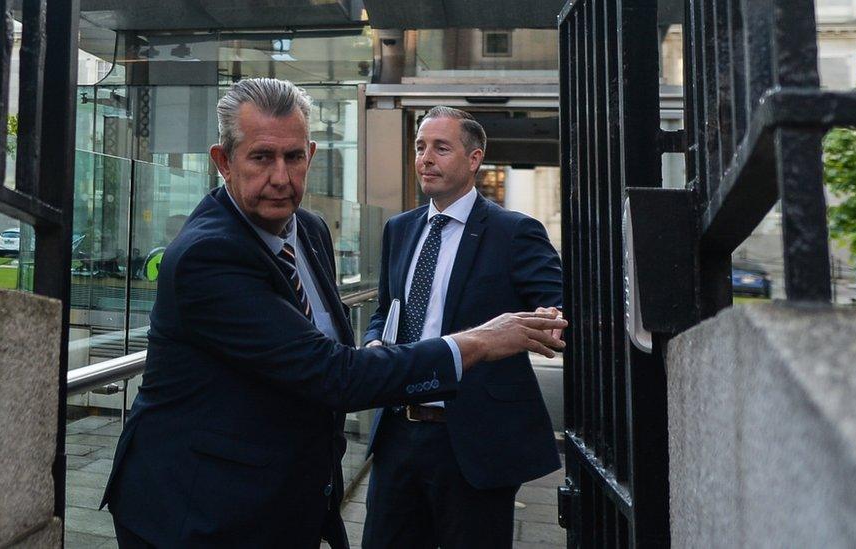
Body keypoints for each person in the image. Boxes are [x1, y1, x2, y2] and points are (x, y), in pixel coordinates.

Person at [99, 79, 566, 548]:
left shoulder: (309, 228)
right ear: (223, 161)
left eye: (294, 157)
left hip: (315, 488)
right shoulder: (209, 255)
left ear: (312, 154)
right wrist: (479, 341)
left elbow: (342, 339)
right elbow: (333, 373)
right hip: (201, 511)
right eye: (262, 157)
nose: (281, 177)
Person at [361, 106, 563, 548]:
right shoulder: (400, 229)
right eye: (419, 147)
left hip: (471, 441)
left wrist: (552, 319)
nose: (425, 158)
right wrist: (375, 339)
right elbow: (385, 309)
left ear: (474, 159)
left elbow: (556, 305)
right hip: (397, 432)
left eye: (440, 147)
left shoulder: (514, 232)